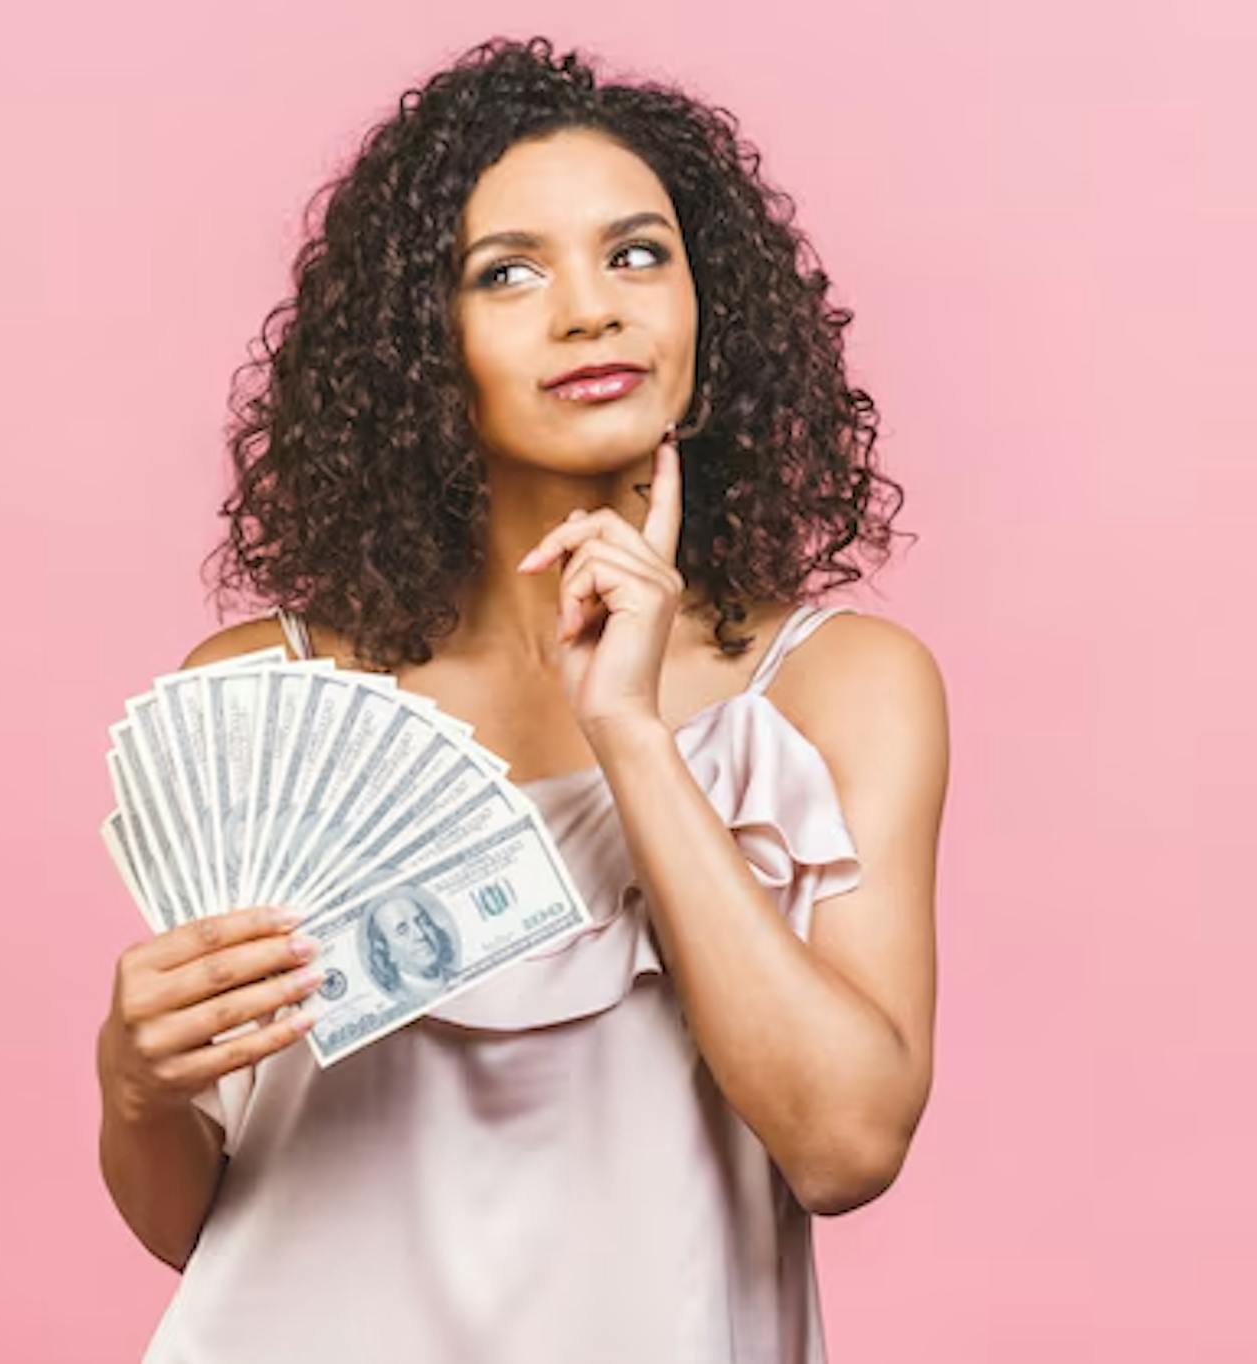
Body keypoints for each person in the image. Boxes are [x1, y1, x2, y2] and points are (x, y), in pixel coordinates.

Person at [94, 35, 947, 1361]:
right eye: (508, 273)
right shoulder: (266, 697)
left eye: (638, 253)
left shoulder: (839, 690)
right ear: (420, 352)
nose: (591, 309)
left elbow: (844, 1144)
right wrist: (134, 1085)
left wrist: (630, 731)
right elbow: (195, 1223)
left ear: (709, 306)